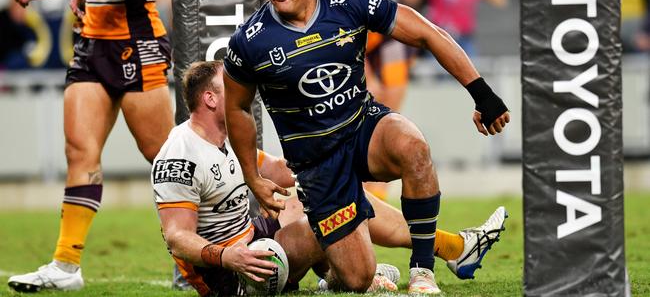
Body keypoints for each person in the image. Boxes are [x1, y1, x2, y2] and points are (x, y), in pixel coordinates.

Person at [223, 0, 509, 295]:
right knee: (357, 278)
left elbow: (426, 32)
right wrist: (252, 176)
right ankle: (338, 264)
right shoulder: (249, 41)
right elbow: (236, 108)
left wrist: (482, 93)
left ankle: (422, 271)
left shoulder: (350, 4)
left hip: (362, 127)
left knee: (412, 145)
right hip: (316, 163)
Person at [155, 60, 507, 296]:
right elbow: (177, 238)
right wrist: (228, 258)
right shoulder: (180, 154)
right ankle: (356, 273)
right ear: (210, 98)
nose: (243, 89)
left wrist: (336, 160)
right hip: (232, 276)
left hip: (255, 239)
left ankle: (449, 249)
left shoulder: (227, 138)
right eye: (230, 85)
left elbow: (281, 171)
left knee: (321, 188)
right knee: (323, 209)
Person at [8, 0, 173, 292]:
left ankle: (202, 249)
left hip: (135, 41)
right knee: (80, 152)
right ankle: (66, 264)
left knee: (166, 156)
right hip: (92, 41)